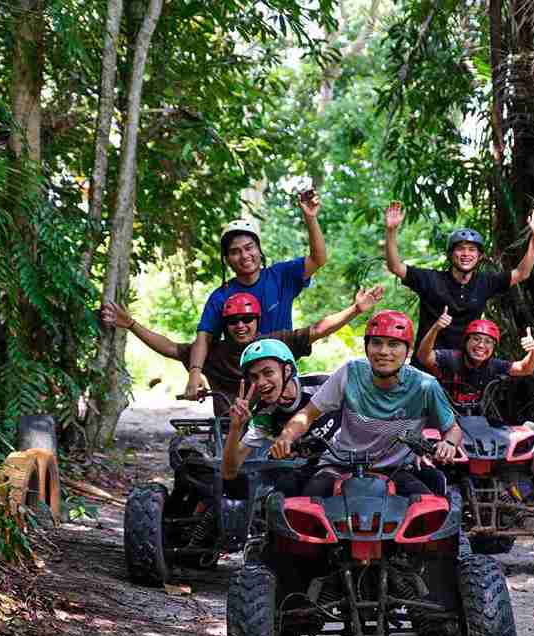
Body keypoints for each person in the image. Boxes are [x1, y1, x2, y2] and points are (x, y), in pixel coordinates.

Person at [267, 310, 463, 498]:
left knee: (427, 510)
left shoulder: (425, 385)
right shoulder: (350, 373)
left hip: (397, 469)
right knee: (309, 502)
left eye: (394, 344)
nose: (384, 352)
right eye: (376, 343)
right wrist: (286, 437)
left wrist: (449, 443)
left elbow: (452, 428)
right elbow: (308, 414)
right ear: (367, 347)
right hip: (340, 463)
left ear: (408, 350)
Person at [100, 285, 384, 414]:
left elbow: (318, 330)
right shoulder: (214, 353)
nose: (240, 325)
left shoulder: (275, 342)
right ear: (225, 324)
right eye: (233, 320)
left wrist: (356, 309)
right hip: (227, 431)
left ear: (257, 321)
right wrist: (132, 324)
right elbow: (171, 348)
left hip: (276, 425)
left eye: (247, 319)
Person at [186, 190, 328, 399]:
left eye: (249, 247)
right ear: (227, 259)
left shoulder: (281, 276)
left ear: (259, 249)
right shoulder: (220, 296)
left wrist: (310, 218)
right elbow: (203, 339)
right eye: (235, 251)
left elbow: (318, 259)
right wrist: (194, 374)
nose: (244, 256)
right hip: (242, 385)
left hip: (283, 380)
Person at [383, 201, 534, 365]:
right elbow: (395, 267)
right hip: (427, 365)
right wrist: (391, 231)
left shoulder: (485, 282)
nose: (466, 254)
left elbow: (522, 273)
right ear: (450, 254)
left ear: (480, 256)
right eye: (460, 249)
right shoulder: (430, 279)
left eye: (472, 249)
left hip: (463, 368)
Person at [219, 340, 337, 492]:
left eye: (268, 373)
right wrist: (236, 428)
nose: (261, 382)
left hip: (345, 464)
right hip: (306, 472)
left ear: (287, 370)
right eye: (254, 377)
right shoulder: (264, 413)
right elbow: (228, 472)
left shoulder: (321, 385)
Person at [416, 310, 534, 414]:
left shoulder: (493, 365)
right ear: (466, 342)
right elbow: (423, 356)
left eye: (488, 342)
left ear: (493, 347)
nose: (481, 345)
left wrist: (533, 351)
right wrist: (435, 329)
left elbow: (525, 368)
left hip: (473, 420)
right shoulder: (451, 358)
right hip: (438, 416)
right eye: (476, 339)